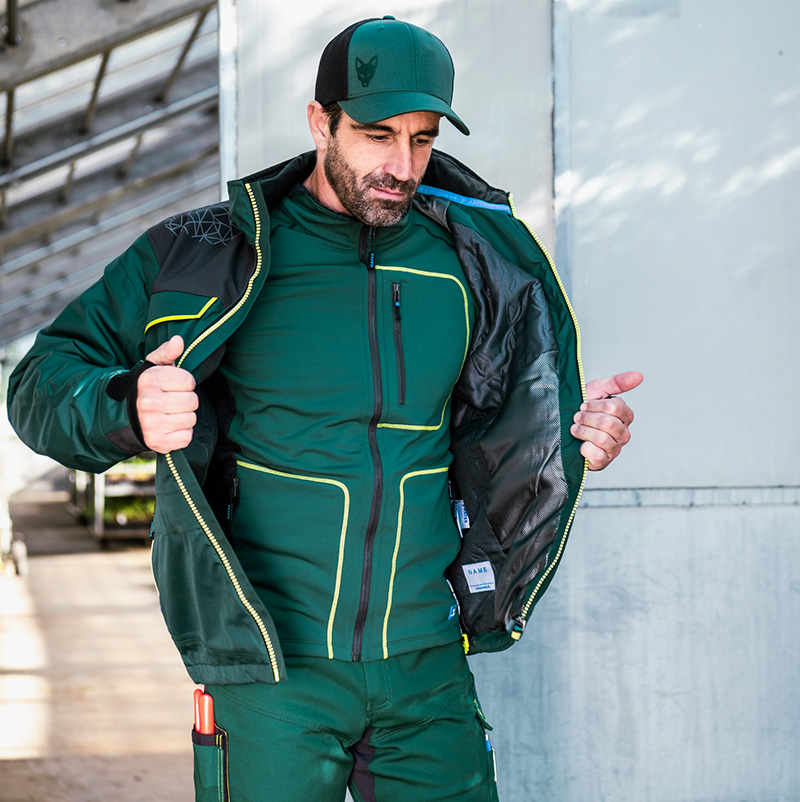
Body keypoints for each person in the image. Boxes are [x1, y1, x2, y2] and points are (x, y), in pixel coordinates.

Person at [8, 16, 642, 802]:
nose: (403, 166)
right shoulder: (206, 251)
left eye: (421, 138)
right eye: (377, 135)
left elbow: (512, 417)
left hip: (425, 668)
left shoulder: (479, 258)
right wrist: (125, 409)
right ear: (320, 122)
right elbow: (37, 383)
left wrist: (575, 437)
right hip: (274, 671)